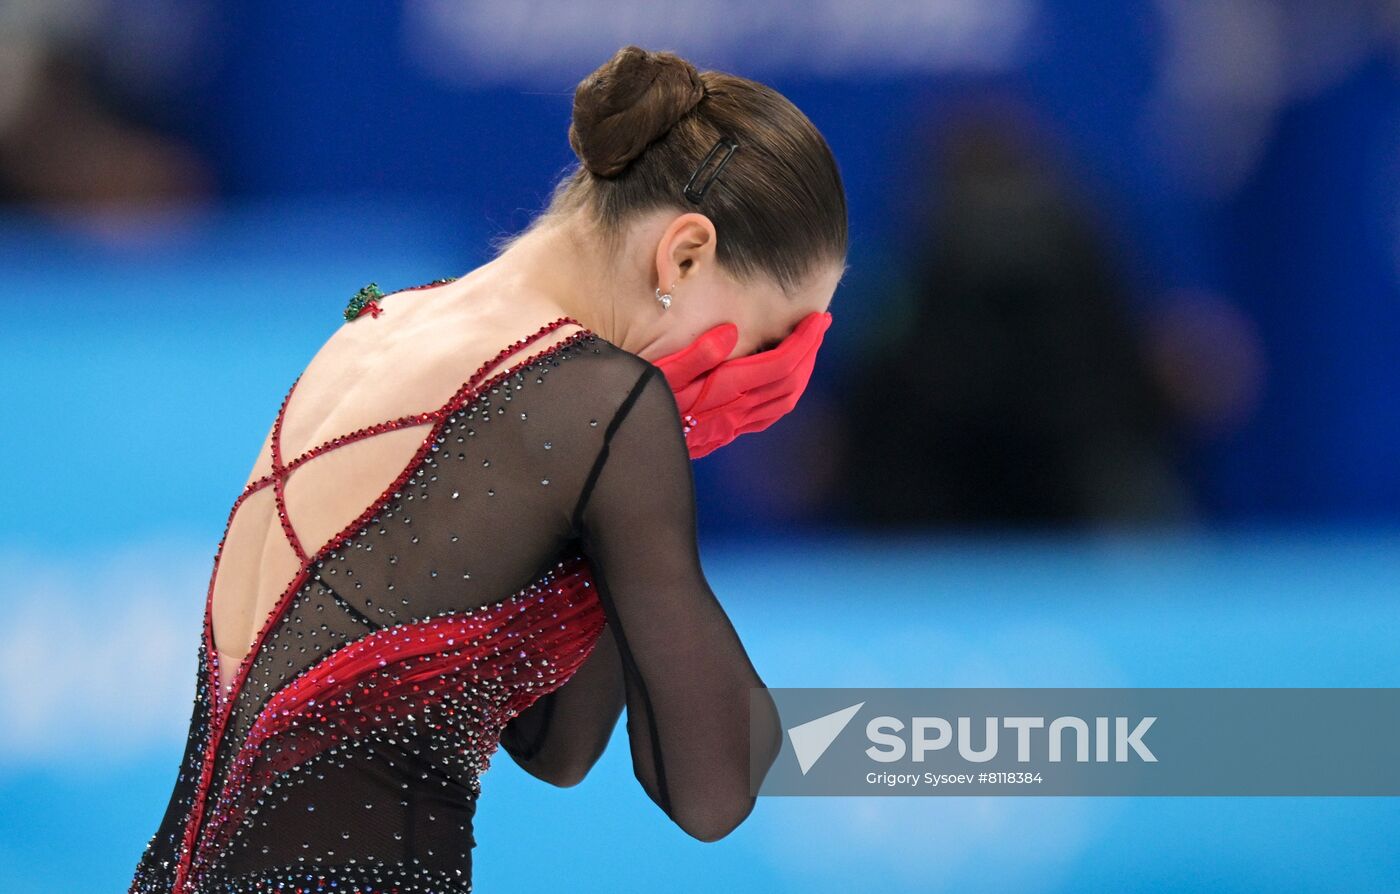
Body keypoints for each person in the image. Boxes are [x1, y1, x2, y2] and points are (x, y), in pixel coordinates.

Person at [128, 45, 847, 893]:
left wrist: (641, 481)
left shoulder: (382, 322)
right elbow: (716, 788)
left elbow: (557, 743)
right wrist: (667, 434)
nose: (763, 380)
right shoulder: (596, 401)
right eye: (768, 341)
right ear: (684, 256)